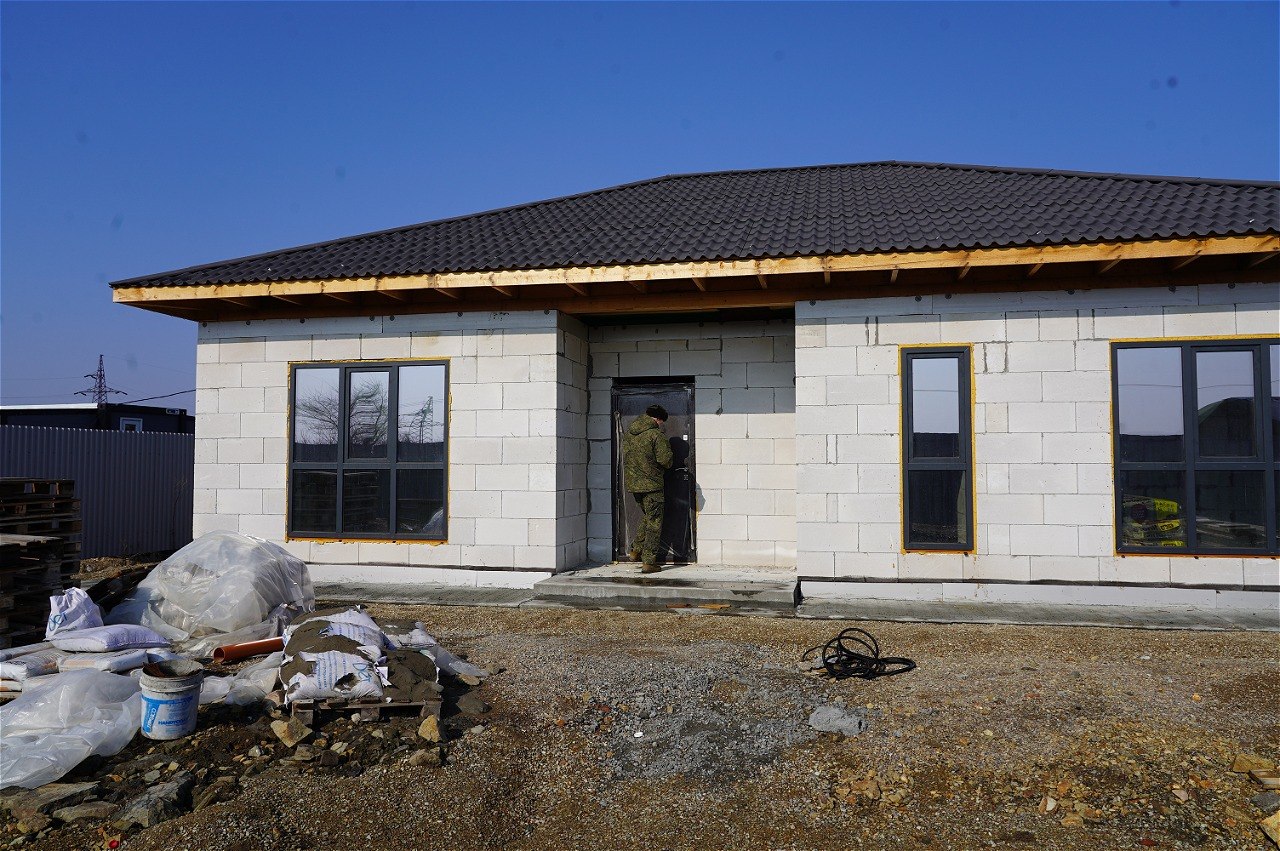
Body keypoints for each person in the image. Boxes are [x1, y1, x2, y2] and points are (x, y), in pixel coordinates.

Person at [622, 404, 674, 573]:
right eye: (661, 422)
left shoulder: (630, 434)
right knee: (654, 524)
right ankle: (648, 562)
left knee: (649, 517)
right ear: (658, 419)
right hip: (652, 486)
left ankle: (635, 550)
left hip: (634, 485)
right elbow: (666, 461)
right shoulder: (655, 435)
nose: (661, 425)